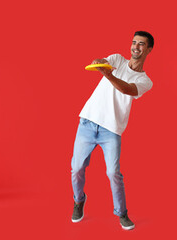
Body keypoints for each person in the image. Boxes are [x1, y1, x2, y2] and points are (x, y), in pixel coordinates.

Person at [70, 31, 154, 230]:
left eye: (141, 44)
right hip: (88, 122)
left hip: (112, 130)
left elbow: (127, 89)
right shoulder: (117, 59)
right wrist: (99, 62)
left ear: (149, 50)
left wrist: (108, 75)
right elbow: (103, 62)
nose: (136, 47)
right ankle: (78, 201)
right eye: (134, 42)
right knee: (77, 168)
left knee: (113, 172)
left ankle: (122, 213)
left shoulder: (146, 81)